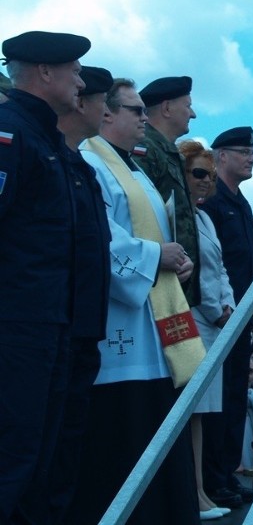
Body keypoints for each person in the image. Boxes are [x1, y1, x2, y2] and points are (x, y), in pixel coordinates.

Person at [70, 78, 201, 525]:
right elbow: (98, 241)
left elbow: (157, 231)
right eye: (135, 110)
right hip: (120, 329)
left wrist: (175, 259)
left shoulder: (135, 169)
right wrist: (155, 256)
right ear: (107, 113)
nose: (144, 119)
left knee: (158, 425)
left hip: (152, 319)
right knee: (124, 435)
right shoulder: (92, 163)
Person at [0, 30, 89, 523]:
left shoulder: (48, 140)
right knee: (14, 459)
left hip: (52, 324)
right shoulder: (10, 133)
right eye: (73, 69)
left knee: (41, 460)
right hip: (17, 325)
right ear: (45, 72)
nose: (79, 78)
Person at [43, 66, 113, 523]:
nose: (106, 111)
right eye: (103, 101)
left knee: (64, 448)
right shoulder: (31, 148)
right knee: (33, 448)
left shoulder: (78, 166)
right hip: (40, 324)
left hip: (79, 326)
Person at [200, 127, 253, 506]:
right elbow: (216, 262)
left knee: (236, 396)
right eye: (243, 152)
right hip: (218, 315)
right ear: (221, 156)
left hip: (242, 316)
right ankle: (213, 479)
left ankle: (226, 474)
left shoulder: (241, 203)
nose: (251, 158)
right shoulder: (212, 202)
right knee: (216, 401)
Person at [179, 140, 237, 520]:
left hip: (215, 321)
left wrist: (231, 305)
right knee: (190, 410)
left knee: (202, 412)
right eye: (198, 173)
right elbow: (192, 271)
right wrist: (217, 311)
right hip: (195, 319)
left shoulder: (203, 217)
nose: (206, 181)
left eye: (211, 175)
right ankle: (192, 492)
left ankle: (199, 489)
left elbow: (220, 268)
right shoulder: (174, 213)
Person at [136, 76, 199, 306]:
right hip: (153, 282)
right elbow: (137, 213)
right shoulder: (146, 149)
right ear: (167, 108)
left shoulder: (169, 153)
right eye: (188, 106)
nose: (193, 114)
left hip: (174, 281)